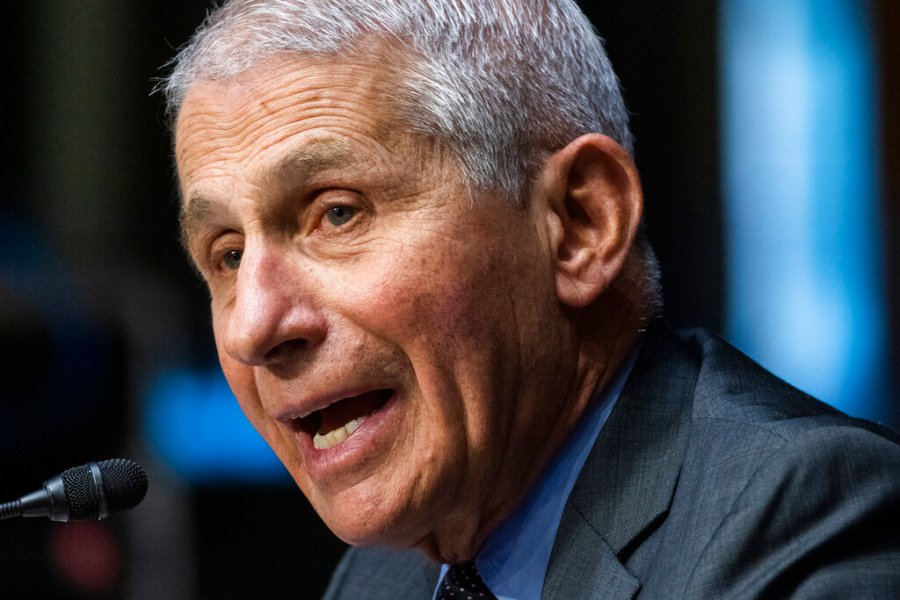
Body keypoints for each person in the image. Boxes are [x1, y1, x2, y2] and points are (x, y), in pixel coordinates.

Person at [164, 0, 900, 597]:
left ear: (581, 223)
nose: (255, 326)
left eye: (338, 213)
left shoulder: (810, 523)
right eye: (226, 255)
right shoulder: (382, 578)